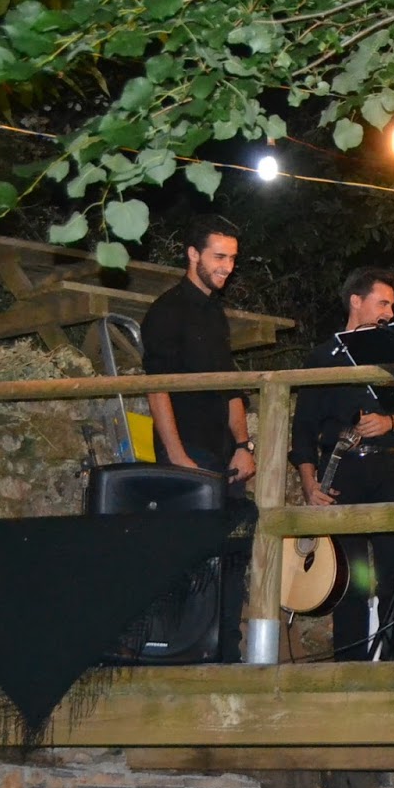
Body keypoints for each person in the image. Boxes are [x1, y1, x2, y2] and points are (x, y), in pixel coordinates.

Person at [140, 218, 254, 662]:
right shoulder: (166, 311)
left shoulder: (215, 313)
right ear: (192, 254)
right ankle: (183, 655)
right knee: (192, 561)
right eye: (219, 257)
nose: (228, 267)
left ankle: (226, 653)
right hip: (188, 453)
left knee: (232, 554)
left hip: (223, 454)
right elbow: (157, 388)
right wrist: (176, 457)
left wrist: (243, 446)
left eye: (233, 259)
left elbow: (231, 385)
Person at [290, 268, 394, 660]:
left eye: (392, 305)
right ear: (356, 302)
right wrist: (309, 483)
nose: (389, 313)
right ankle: (349, 666)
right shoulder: (322, 357)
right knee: (348, 578)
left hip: (391, 470)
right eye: (383, 303)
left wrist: (389, 423)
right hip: (342, 473)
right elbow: (303, 429)